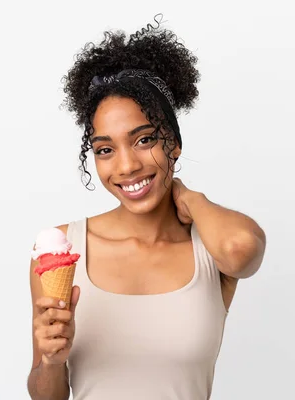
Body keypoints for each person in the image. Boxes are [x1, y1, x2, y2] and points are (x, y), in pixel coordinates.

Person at [27, 15, 267, 400]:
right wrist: (52, 363)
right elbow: (45, 395)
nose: (126, 166)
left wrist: (190, 198)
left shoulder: (210, 246)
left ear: (173, 142)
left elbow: (244, 251)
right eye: (105, 149)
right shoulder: (63, 249)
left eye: (144, 140)